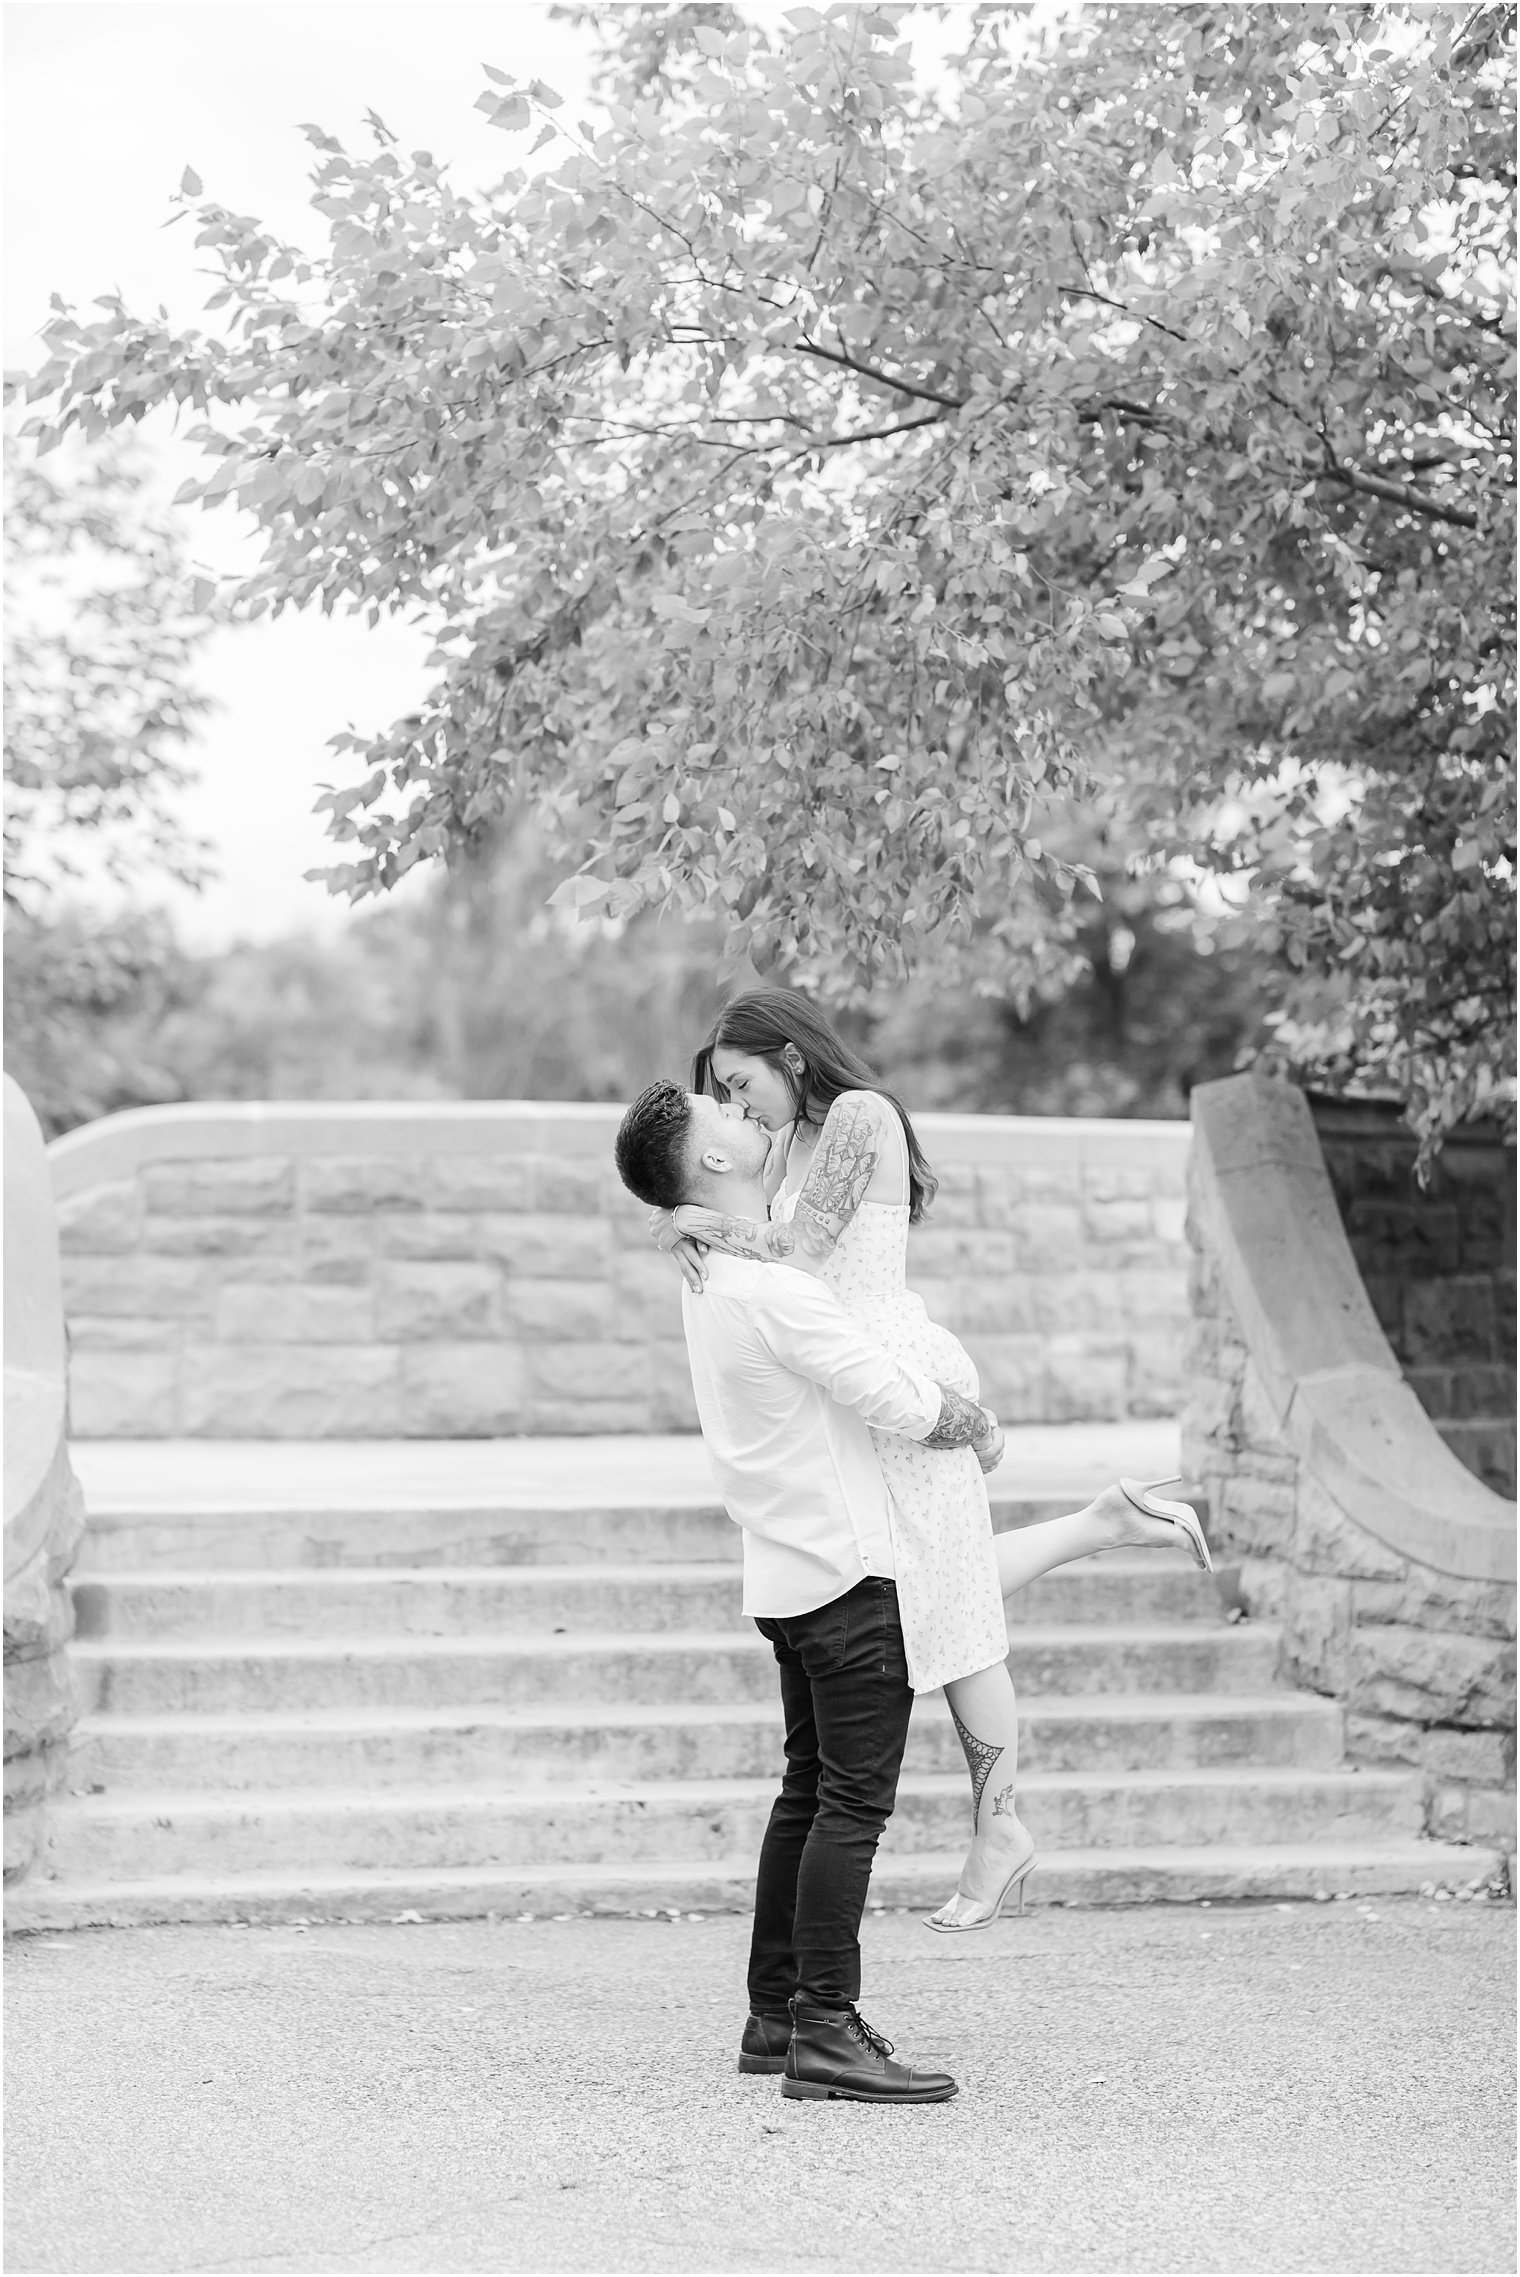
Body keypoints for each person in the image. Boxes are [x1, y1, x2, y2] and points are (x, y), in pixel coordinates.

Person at [651, 989, 1212, 1933]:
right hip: (847, 1385)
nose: (742, 1109)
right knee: (935, 1590)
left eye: (744, 1084)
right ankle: (1103, 1523)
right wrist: (695, 1219)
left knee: (950, 1613)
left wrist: (691, 1221)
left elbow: (796, 1250)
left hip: (894, 1377)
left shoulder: (860, 1116)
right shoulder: (786, 1142)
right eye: (729, 1100)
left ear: (789, 1056)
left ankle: (1000, 1827)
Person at [614, 1077, 999, 2103]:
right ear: (716, 1165)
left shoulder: (708, 1277)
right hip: (845, 1575)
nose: (746, 1118)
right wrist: (972, 1421)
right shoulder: (771, 1289)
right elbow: (885, 1390)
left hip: (785, 1578)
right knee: (850, 1806)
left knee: (806, 1794)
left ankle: (772, 2015)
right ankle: (824, 2030)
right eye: (728, 1119)